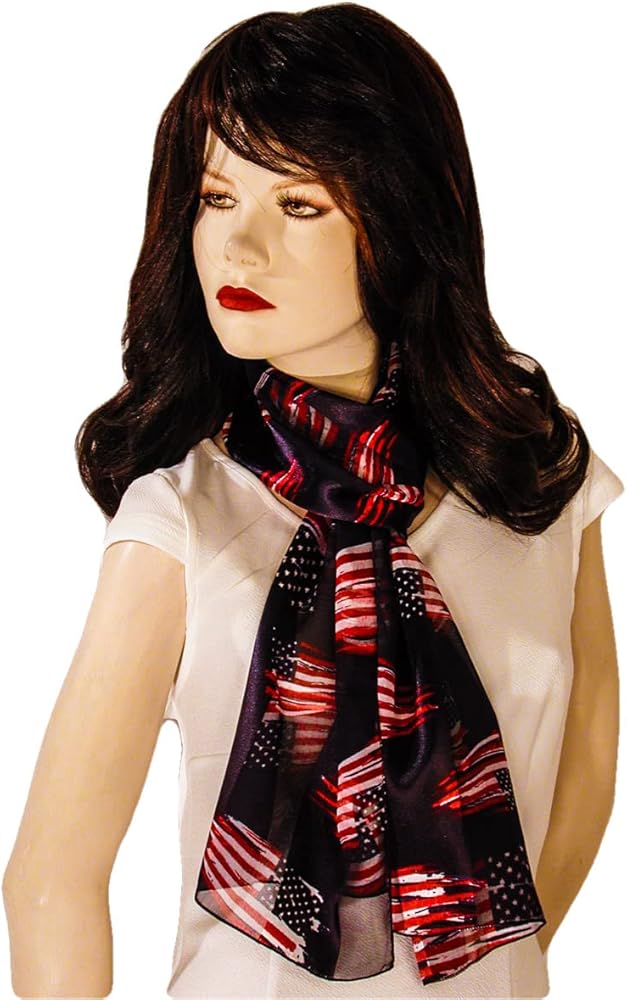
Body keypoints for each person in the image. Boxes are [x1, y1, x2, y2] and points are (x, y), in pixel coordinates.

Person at [2, 3, 623, 998]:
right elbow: (51, 879)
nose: (237, 248)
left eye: (299, 205)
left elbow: (589, 750)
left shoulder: (539, 481)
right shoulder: (182, 515)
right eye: (215, 197)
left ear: (403, 218)